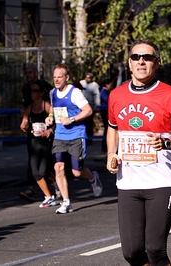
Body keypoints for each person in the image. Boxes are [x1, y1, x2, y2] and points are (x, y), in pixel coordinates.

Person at [106, 40, 171, 266]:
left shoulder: (170, 95)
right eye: (136, 57)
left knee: (155, 248)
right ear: (129, 63)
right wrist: (111, 153)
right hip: (128, 181)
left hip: (161, 180)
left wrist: (167, 143)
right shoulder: (116, 95)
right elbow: (112, 127)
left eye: (147, 58)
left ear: (156, 63)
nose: (141, 61)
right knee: (132, 252)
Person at [45, 63, 103, 214]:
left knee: (77, 172)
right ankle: (66, 202)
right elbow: (53, 109)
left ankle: (92, 177)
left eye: (60, 77)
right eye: (54, 77)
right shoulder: (52, 93)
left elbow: (88, 110)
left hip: (76, 135)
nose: (56, 80)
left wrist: (71, 119)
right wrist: (50, 118)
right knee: (58, 167)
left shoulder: (75, 93)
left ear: (67, 78)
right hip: (59, 135)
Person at [20, 65, 57, 201]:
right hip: (33, 126)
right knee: (32, 161)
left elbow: (53, 103)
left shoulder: (44, 86)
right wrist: (24, 114)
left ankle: (54, 184)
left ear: (36, 73)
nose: (28, 75)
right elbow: (25, 105)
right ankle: (31, 188)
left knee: (44, 167)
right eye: (26, 73)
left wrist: (51, 123)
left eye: (30, 72)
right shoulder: (25, 88)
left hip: (45, 124)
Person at [80, 72, 101, 145]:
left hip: (91, 106)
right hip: (81, 106)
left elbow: (97, 96)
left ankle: (89, 139)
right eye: (86, 77)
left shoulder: (94, 85)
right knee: (82, 123)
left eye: (89, 77)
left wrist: (97, 106)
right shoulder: (81, 83)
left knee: (89, 124)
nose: (87, 79)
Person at [100, 78, 114, 152]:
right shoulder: (104, 91)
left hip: (107, 111)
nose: (111, 86)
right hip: (105, 111)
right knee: (106, 129)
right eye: (110, 84)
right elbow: (107, 100)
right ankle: (105, 147)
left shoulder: (106, 91)